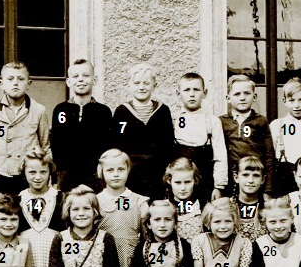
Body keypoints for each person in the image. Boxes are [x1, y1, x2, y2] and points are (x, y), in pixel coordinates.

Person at [110, 63, 174, 199]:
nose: (141, 87)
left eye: (146, 83)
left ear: (154, 85)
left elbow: (168, 143)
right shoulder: (122, 112)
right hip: (130, 172)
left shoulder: (163, 111)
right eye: (137, 83)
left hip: (157, 172)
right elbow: (117, 142)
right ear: (129, 85)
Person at [49, 59, 112, 191]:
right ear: (68, 82)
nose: (81, 80)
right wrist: (56, 176)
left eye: (85, 75)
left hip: (95, 176)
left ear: (94, 80)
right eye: (75, 76)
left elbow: (107, 145)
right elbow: (56, 144)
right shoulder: (61, 110)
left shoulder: (103, 111)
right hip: (66, 176)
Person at [0, 61, 50, 194]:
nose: (15, 83)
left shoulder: (39, 111)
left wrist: (49, 178)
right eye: (10, 79)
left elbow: (45, 146)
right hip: (1, 175)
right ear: (1, 84)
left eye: (21, 79)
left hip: (28, 175)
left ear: (29, 84)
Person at [96, 148, 149, 267]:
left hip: (130, 254)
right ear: (101, 172)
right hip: (105, 255)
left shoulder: (139, 201)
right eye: (110, 170)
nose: (116, 174)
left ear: (128, 170)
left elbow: (147, 235)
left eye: (121, 169)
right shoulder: (95, 201)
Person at [18, 147, 66, 267]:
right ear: (24, 172)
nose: (38, 177)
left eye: (43, 172)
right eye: (32, 172)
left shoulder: (61, 199)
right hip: (28, 263)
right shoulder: (17, 200)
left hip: (54, 261)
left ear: (50, 172)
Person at [172, 72, 227, 202]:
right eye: (186, 90)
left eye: (196, 90)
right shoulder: (173, 119)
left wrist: (219, 186)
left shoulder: (212, 121)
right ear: (178, 94)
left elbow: (220, 156)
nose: (192, 94)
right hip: (180, 184)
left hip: (205, 182)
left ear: (205, 93)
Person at [219, 74, 274, 197]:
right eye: (237, 94)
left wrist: (268, 190)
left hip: (254, 178)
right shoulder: (221, 122)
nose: (242, 98)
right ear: (228, 98)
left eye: (247, 93)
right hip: (230, 180)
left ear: (254, 97)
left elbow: (269, 156)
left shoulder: (261, 121)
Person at [164, 157, 204, 242]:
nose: (183, 188)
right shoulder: (164, 207)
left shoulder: (201, 207)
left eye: (187, 182)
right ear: (169, 181)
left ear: (195, 180)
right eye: (178, 182)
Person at [230, 156, 268, 242]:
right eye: (245, 175)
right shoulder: (228, 206)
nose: (250, 180)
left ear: (263, 179)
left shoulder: (269, 207)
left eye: (256, 176)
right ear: (236, 177)